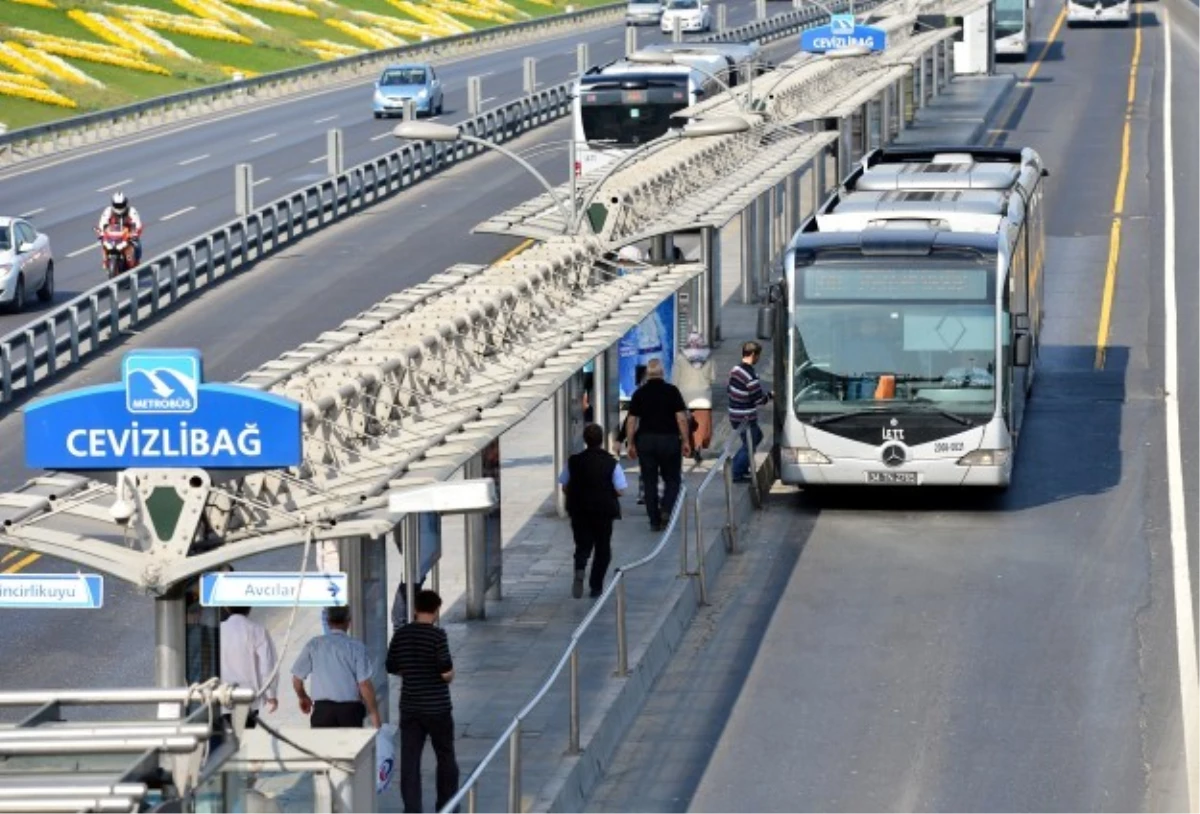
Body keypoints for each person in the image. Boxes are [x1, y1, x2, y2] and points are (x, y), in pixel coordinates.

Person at [386, 590, 459, 814]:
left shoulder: (401, 635)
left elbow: (390, 666)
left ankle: (412, 809)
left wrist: (411, 671)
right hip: (437, 707)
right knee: (445, 756)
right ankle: (446, 806)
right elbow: (445, 670)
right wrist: (447, 675)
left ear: (415, 610)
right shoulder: (438, 636)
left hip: (410, 707)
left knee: (410, 761)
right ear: (436, 611)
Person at [559, 423, 626, 598]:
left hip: (579, 510)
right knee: (603, 548)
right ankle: (596, 586)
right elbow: (620, 490)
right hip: (603, 511)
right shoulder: (612, 463)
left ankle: (580, 568)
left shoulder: (573, 461)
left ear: (585, 440)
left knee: (582, 544)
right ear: (601, 439)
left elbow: (564, 486)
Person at [624, 358, 691, 532]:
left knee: (649, 481)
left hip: (646, 441)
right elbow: (681, 418)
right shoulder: (672, 391)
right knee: (672, 478)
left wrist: (630, 443)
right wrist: (686, 440)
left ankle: (654, 520)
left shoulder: (639, 393)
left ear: (647, 374)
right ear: (662, 373)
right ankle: (667, 509)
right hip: (669, 440)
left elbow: (631, 420)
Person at [291, 605, 382, 729]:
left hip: (322, 711)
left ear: (328, 622)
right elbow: (364, 684)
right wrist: (374, 714)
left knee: (323, 748)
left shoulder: (314, 644)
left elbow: (297, 679)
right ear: (348, 622)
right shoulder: (356, 647)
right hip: (350, 711)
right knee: (351, 748)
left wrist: (303, 697)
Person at [220, 607, 279, 730]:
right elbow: (267, 666)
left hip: (222, 697)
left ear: (226, 607)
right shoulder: (258, 631)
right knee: (244, 739)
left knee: (227, 742)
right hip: (248, 698)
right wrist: (271, 695)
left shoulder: (217, 630)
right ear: (250, 607)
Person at [728, 341, 772, 484]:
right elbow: (759, 400)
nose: (759, 358)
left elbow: (729, 389)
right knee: (751, 442)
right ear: (753, 354)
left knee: (756, 437)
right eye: (758, 355)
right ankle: (737, 471)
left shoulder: (735, 369)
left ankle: (742, 465)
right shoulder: (750, 376)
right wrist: (771, 395)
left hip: (734, 413)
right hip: (745, 416)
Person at [674, 331, 715, 463]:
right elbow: (712, 378)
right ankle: (697, 447)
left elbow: (674, 380)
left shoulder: (680, 357)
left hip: (684, 396)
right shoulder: (709, 357)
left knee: (685, 422)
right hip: (703, 396)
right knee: (701, 424)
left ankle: (688, 447)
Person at [95, 192, 143, 267]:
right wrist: (101, 232)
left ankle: (136, 261)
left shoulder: (131, 211)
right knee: (103, 243)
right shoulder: (108, 211)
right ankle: (105, 261)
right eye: (117, 205)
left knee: (137, 244)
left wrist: (135, 233)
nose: (119, 207)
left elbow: (137, 223)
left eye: (121, 205)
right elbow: (102, 222)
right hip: (113, 236)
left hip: (127, 236)